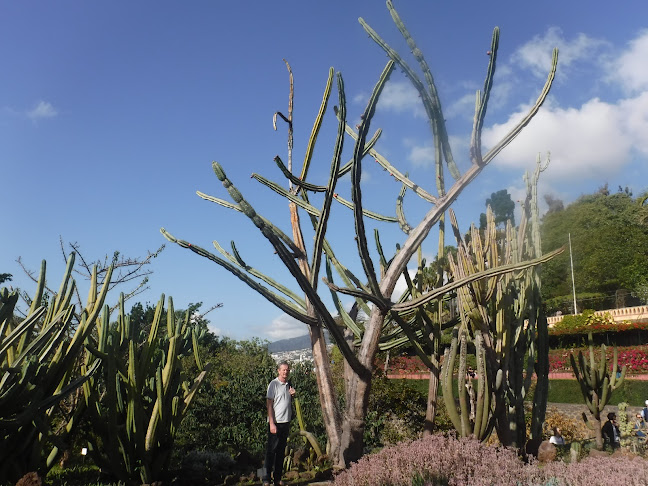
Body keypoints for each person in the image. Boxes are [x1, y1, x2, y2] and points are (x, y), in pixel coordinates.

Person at [263, 361, 295, 486]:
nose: (285, 372)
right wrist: (271, 423)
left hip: (285, 422)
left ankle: (277, 479)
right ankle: (266, 478)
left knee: (281, 452)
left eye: (287, 370)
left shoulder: (289, 384)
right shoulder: (273, 384)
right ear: (278, 371)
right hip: (275, 422)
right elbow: (269, 405)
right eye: (283, 370)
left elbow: (286, 401)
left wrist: (293, 395)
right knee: (271, 451)